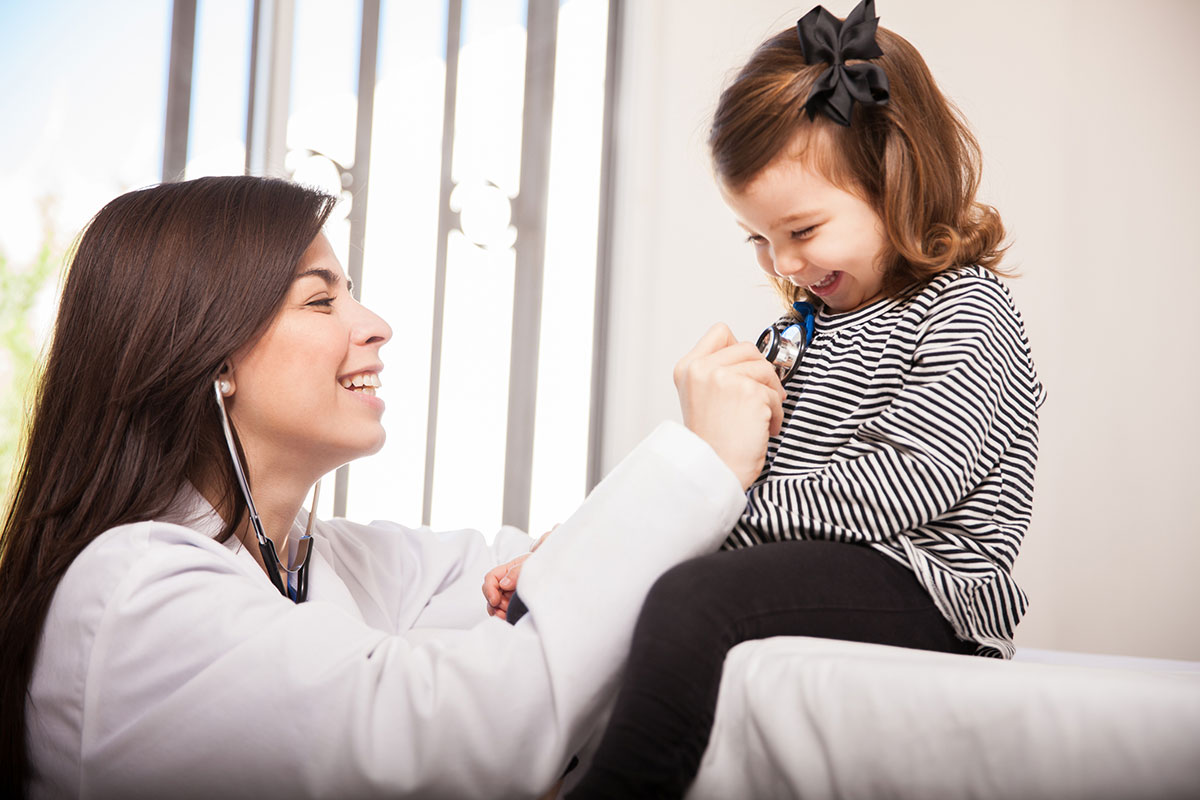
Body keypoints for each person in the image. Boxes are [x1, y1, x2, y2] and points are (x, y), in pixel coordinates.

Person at [0, 175, 785, 798]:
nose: (376, 324)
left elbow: (529, 580)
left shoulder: (329, 561)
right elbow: (462, 733)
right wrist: (699, 460)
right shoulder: (133, 596)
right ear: (212, 357)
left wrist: (571, 561)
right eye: (321, 298)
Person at [496, 1, 1043, 797]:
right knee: (598, 594)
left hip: (926, 587)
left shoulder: (964, 309)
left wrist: (700, 525)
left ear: (894, 178)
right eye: (758, 238)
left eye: (802, 229)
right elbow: (710, 475)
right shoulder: (790, 337)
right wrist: (585, 547)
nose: (784, 263)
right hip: (806, 567)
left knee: (694, 598)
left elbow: (911, 482)